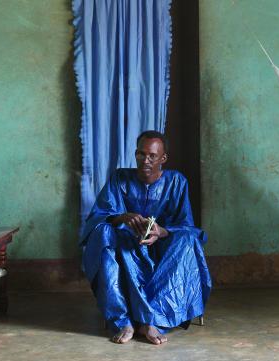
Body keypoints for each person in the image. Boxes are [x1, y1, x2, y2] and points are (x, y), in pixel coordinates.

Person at [80, 130, 212, 345]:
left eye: (152, 156)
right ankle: (123, 320)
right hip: (127, 247)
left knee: (188, 239)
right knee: (104, 234)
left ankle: (151, 320)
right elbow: (99, 216)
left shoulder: (177, 182)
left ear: (163, 158)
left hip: (163, 247)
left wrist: (161, 232)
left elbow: (184, 225)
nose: (146, 161)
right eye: (141, 154)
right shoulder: (120, 178)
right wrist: (123, 217)